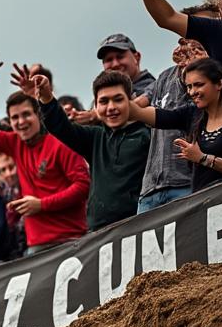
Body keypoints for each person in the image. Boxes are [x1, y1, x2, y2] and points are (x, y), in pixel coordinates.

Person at [0, 59, 90, 255]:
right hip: (36, 248)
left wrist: (41, 205)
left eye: (26, 114)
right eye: (15, 117)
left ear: (37, 115)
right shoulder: (15, 143)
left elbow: (83, 187)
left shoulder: (61, 141)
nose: (21, 122)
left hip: (72, 241)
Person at [25, 69, 150, 231]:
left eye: (118, 99)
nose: (111, 107)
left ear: (131, 100)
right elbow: (61, 127)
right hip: (98, 233)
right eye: (103, 101)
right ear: (96, 106)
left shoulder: (148, 135)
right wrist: (47, 97)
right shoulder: (94, 137)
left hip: (138, 227)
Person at [138, 20, 212, 212]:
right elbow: (137, 106)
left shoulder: (215, 76)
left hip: (187, 183)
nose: (184, 43)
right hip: (150, 189)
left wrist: (201, 66)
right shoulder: (164, 77)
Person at [127, 57, 222, 192]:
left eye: (199, 85)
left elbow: (201, 158)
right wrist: (130, 108)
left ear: (219, 84)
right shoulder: (192, 114)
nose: (192, 92)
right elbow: (159, 116)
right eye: (189, 87)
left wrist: (203, 158)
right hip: (203, 200)